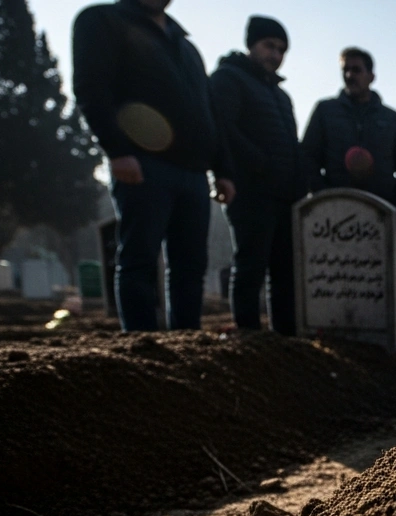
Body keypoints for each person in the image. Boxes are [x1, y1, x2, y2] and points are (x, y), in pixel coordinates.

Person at [72, 0, 235, 331]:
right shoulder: (103, 20)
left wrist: (223, 169)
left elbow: (209, 110)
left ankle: (186, 341)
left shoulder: (186, 45)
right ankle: (141, 344)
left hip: (194, 173)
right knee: (139, 259)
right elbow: (92, 87)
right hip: (143, 164)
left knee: (190, 265)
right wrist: (116, 150)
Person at [210, 16, 303, 335]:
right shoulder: (228, 79)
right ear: (251, 45)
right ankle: (248, 334)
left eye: (281, 49)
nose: (275, 54)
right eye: (269, 46)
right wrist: (259, 163)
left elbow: (291, 143)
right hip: (250, 191)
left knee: (285, 271)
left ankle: (284, 337)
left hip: (285, 195)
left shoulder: (281, 96)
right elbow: (223, 129)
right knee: (251, 265)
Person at [300, 48, 396, 215]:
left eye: (356, 70)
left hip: (380, 212)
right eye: (345, 70)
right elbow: (308, 157)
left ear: (371, 77)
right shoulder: (325, 112)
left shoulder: (392, 119)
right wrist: (322, 196)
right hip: (333, 214)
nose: (349, 76)